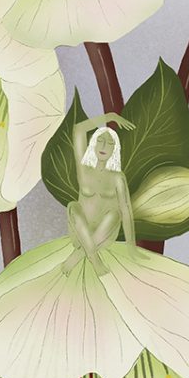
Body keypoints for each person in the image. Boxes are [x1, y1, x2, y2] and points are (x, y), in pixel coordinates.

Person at [62, 112, 137, 276]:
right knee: (73, 206)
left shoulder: (118, 177)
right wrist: (110, 117)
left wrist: (131, 245)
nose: (104, 147)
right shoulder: (84, 169)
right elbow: (79, 130)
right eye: (100, 141)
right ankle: (94, 260)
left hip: (104, 236)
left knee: (115, 214)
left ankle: (77, 257)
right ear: (92, 145)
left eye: (109, 143)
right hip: (79, 233)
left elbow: (126, 211)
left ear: (114, 149)